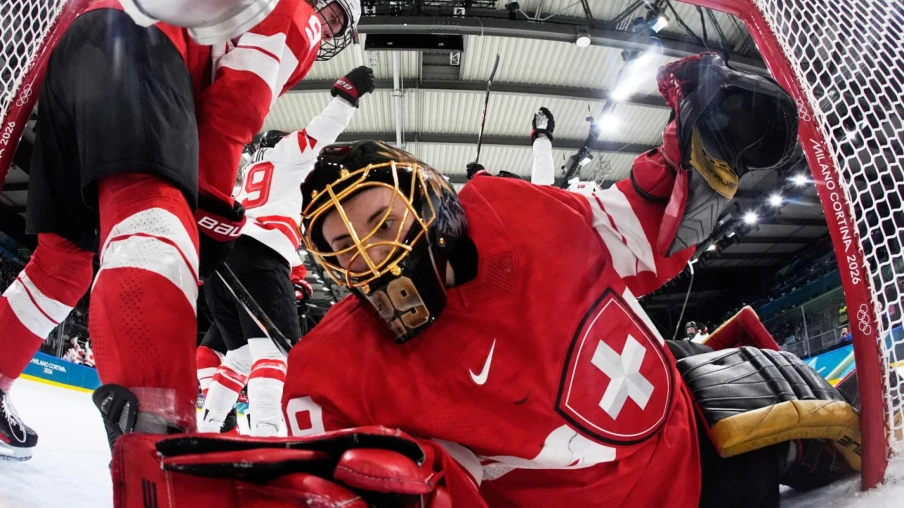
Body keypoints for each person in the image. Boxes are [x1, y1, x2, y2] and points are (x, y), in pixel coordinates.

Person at [113, 53, 860, 507]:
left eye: (379, 220)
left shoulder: (509, 212)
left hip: (709, 448)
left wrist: (702, 143)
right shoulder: (333, 368)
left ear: (424, 197)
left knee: (792, 405)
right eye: (344, 247)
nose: (370, 256)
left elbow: (643, 227)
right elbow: (297, 486)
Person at [0, 0, 361, 461]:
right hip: (144, 47)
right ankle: (158, 453)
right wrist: (206, 194)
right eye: (331, 14)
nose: (326, 26)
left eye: (335, 24)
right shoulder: (298, 13)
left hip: (84, 42)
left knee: (61, 264)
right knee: (155, 230)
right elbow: (241, 98)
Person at [199, 65, 374, 437]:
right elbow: (319, 133)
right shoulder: (285, 154)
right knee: (273, 351)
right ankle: (267, 431)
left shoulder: (249, 175)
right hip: (259, 255)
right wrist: (347, 98)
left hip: (222, 259)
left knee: (240, 357)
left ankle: (211, 426)